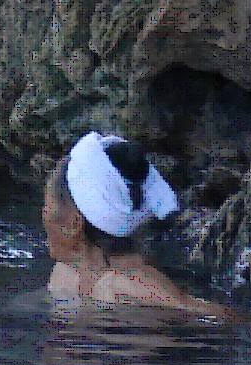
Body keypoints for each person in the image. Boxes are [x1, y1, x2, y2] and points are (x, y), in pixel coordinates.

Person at [45, 133, 238, 319]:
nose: (43, 214)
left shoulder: (134, 287)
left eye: (47, 206)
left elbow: (227, 319)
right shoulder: (64, 272)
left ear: (74, 223)